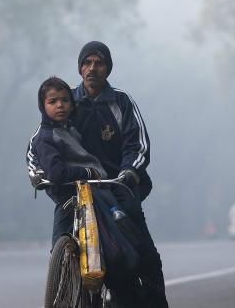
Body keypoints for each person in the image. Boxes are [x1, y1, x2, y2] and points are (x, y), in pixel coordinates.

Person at [73, 41, 169, 308]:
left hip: (117, 187)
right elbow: (44, 139)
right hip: (77, 189)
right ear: (80, 68)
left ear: (108, 69)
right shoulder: (66, 101)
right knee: (62, 242)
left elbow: (138, 145)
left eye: (99, 63)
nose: (92, 68)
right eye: (87, 63)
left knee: (144, 255)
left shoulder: (121, 101)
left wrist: (128, 172)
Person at [26, 76, 107, 247]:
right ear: (43, 106)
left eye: (64, 100)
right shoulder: (46, 137)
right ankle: (59, 268)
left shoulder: (71, 129)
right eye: (52, 101)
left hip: (91, 191)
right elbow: (57, 174)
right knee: (60, 245)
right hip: (67, 196)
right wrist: (88, 172)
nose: (60, 105)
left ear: (72, 104)